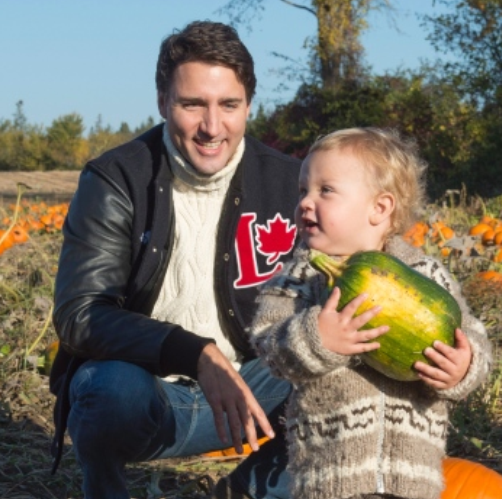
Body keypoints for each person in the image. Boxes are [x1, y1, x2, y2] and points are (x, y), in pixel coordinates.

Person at [48, 21, 300, 499]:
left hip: (250, 389)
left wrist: (457, 355)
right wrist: (194, 351)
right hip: (149, 394)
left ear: (248, 104)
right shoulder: (115, 179)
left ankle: (254, 487)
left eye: (228, 105)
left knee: (340, 356)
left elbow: (360, 281)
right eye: (192, 105)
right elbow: (80, 314)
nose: (212, 126)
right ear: (163, 101)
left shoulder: (290, 183)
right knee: (106, 389)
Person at [249, 127, 493, 499]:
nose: (305, 202)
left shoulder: (423, 275)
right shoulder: (299, 278)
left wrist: (464, 366)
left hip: (412, 477)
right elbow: (268, 345)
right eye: (303, 191)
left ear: (380, 208)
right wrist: (317, 339)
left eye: (325, 190)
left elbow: (471, 334)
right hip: (332, 478)